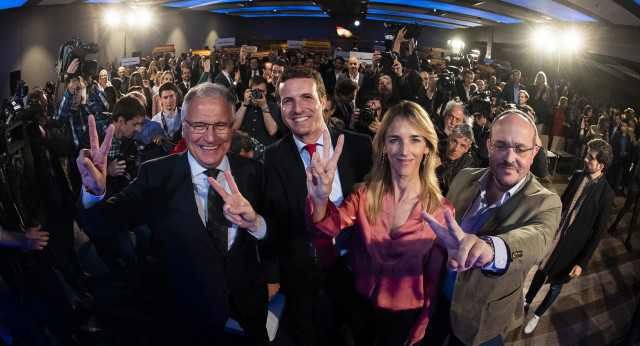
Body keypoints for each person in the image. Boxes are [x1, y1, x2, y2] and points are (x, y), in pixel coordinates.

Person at [76, 83, 272, 345]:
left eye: (220, 125)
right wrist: (93, 192)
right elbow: (103, 224)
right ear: (184, 127)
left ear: (232, 126)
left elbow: (277, 230)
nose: (210, 137)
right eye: (199, 125)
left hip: (250, 303)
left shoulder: (253, 171)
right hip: (189, 310)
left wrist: (257, 225)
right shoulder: (154, 175)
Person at [306, 100, 451, 346]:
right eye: (395, 139)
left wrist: (423, 322)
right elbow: (325, 227)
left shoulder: (442, 211)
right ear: (383, 145)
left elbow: (433, 278)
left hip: (402, 316)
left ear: (427, 147)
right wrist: (319, 199)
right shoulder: (364, 195)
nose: (404, 150)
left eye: (415, 139)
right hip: (357, 307)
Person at [423, 109, 562, 345]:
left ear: (534, 153)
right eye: (501, 145)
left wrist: (492, 250)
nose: (510, 157)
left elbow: (538, 239)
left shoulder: (545, 202)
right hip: (435, 299)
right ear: (489, 147)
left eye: (520, 148)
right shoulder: (464, 177)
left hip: (480, 317)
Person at [263, 66, 372, 346]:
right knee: (304, 333)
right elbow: (274, 218)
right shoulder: (273, 156)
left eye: (307, 98)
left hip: (352, 265)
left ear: (324, 101)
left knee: (349, 332)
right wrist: (272, 274)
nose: (297, 108)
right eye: (288, 100)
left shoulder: (359, 147)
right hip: (300, 266)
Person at [522, 138, 613, 334]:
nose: (585, 158)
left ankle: (537, 316)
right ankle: (527, 302)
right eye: (587, 154)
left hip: (573, 248)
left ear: (601, 165)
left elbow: (597, 233)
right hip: (555, 236)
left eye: (591, 157)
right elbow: (561, 205)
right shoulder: (578, 175)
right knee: (541, 271)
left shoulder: (606, 194)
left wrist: (582, 262)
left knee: (556, 284)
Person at [608, 140, 640, 249]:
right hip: (637, 183)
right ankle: (613, 226)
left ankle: (628, 239)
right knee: (626, 207)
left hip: (637, 183)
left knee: (635, 213)